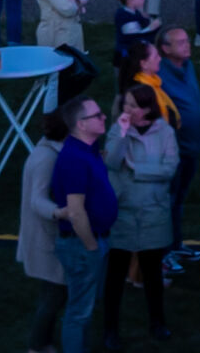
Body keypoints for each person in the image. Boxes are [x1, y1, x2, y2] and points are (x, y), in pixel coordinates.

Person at [102, 83, 178, 346]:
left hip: (152, 213)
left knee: (152, 274)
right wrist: (122, 134)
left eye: (133, 105)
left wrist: (136, 168)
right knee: (114, 276)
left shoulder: (165, 132)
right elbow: (110, 162)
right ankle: (110, 328)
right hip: (122, 213)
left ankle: (158, 322)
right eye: (126, 104)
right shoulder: (117, 130)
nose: (127, 109)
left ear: (147, 109)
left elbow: (170, 168)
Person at [47, 94, 116, 353]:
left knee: (84, 307)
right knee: (79, 312)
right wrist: (91, 247)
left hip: (92, 240)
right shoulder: (75, 159)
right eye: (97, 115)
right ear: (81, 124)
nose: (104, 117)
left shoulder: (89, 150)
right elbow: (75, 212)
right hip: (82, 245)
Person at [19, 109, 70, 353]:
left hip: (45, 236)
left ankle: (44, 343)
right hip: (46, 238)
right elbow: (37, 200)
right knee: (54, 295)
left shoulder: (47, 152)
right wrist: (60, 212)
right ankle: (36, 345)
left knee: (52, 294)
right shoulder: (47, 159)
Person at [156, 27, 200, 267]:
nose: (188, 45)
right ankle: (164, 251)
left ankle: (175, 244)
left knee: (180, 198)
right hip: (174, 152)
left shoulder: (188, 67)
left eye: (188, 40)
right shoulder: (160, 76)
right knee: (168, 200)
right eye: (181, 42)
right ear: (165, 49)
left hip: (191, 147)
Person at [113, 0, 162, 65]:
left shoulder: (136, 12)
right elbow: (134, 35)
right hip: (126, 55)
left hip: (136, 52)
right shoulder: (123, 16)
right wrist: (151, 27)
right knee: (128, 75)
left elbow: (143, 25)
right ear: (129, 0)